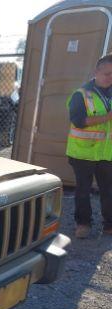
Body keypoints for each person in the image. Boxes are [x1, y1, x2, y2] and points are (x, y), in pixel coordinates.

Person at [66, 54, 112, 239]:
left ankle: (109, 224)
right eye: (107, 73)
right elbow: (78, 121)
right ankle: (83, 224)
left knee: (108, 190)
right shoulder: (81, 94)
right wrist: (107, 117)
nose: (110, 77)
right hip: (83, 153)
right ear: (96, 72)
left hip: (106, 153)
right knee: (83, 191)